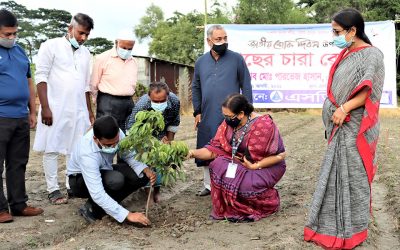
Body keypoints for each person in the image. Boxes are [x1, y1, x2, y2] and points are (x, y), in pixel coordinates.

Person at [304, 8, 385, 249]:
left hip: (355, 128)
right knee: (334, 176)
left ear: (353, 31)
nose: (334, 35)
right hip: (339, 126)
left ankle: (354, 230)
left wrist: (344, 108)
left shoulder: (371, 55)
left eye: (337, 31)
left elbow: (367, 91)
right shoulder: (345, 54)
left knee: (354, 179)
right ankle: (331, 227)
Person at [188, 94, 286, 221]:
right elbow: (214, 150)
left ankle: (268, 202)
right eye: (224, 116)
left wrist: (255, 165)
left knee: (245, 186)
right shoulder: (228, 124)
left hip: (265, 165)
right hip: (240, 162)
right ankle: (232, 205)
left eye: (228, 116)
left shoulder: (263, 125)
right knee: (217, 164)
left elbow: (280, 155)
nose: (226, 120)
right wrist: (191, 153)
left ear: (241, 114)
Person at [33, 13, 95, 205]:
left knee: (74, 149)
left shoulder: (86, 54)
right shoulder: (51, 46)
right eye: (80, 33)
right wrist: (45, 107)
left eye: (87, 35)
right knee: (51, 148)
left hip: (78, 110)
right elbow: (41, 77)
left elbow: (86, 86)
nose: (83, 38)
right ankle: (53, 190)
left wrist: (89, 111)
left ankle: (71, 186)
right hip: (55, 107)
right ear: (70, 29)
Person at [192, 24, 253, 196]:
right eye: (218, 39)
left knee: (234, 148)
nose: (223, 42)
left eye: (225, 38)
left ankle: (233, 185)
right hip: (208, 113)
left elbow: (246, 85)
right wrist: (197, 112)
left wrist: (246, 112)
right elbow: (196, 87)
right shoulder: (201, 61)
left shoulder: (237, 59)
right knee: (207, 145)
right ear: (209, 41)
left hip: (233, 114)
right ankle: (209, 185)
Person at [67, 115, 156, 225]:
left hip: (105, 169)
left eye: (116, 142)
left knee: (141, 175)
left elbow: (128, 155)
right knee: (115, 180)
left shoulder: (117, 132)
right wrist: (127, 215)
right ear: (96, 139)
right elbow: (97, 193)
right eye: (108, 145)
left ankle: (110, 205)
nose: (114, 146)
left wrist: (145, 168)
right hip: (79, 180)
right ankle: (92, 209)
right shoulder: (87, 153)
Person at [0, 9, 43, 223]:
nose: (11, 37)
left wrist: (32, 110)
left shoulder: (20, 51)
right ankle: (0, 209)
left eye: (14, 33)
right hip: (1, 116)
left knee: (18, 163)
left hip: (20, 115)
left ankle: (19, 204)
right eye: (7, 34)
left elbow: (28, 81)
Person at [126, 81, 180, 202]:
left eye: (162, 101)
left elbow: (174, 122)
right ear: (149, 97)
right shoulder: (142, 105)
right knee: (146, 162)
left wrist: (169, 142)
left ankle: (157, 191)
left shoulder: (174, 101)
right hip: (143, 136)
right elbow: (131, 128)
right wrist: (144, 144)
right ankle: (148, 193)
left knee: (160, 162)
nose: (159, 104)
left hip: (162, 134)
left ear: (168, 95)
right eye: (155, 101)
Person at [91, 30, 137, 133]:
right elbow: (93, 83)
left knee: (127, 133)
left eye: (130, 48)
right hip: (108, 102)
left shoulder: (133, 61)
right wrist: (95, 99)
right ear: (116, 43)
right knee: (107, 132)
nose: (126, 51)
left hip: (128, 102)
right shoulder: (102, 58)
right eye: (124, 47)